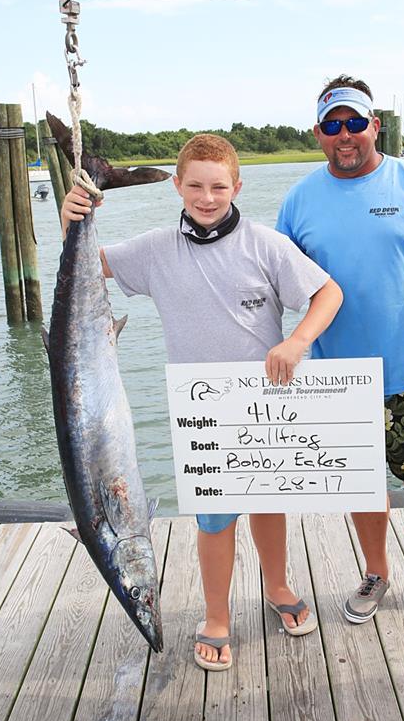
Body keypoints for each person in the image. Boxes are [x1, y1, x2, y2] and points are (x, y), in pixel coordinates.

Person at [61, 134, 343, 670]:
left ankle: (278, 586)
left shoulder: (266, 245)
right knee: (214, 520)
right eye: (195, 186)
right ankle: (216, 615)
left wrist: (297, 340)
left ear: (238, 187)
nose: (207, 198)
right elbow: (88, 268)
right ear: (177, 186)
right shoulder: (155, 250)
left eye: (218, 187)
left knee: (269, 503)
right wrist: (72, 217)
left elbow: (329, 293)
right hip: (204, 414)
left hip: (266, 404)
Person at [276, 75, 404, 626]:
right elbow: (274, 281)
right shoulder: (298, 201)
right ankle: (376, 572)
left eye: (355, 122)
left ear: (375, 126)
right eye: (333, 125)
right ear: (318, 133)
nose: (345, 134)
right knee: (362, 486)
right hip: (337, 381)